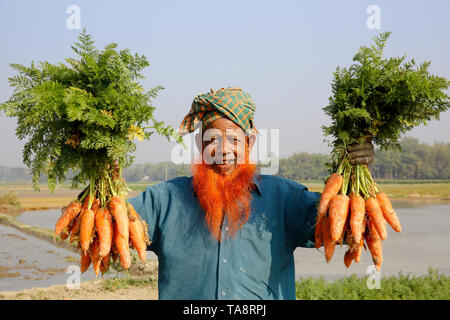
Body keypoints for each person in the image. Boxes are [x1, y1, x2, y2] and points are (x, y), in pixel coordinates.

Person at [128, 87, 375, 300]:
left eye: (234, 140)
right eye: (212, 139)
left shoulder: (285, 198)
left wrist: (354, 173)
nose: (222, 150)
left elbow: (347, 225)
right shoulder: (164, 200)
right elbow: (108, 220)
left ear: (249, 145)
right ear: (199, 145)